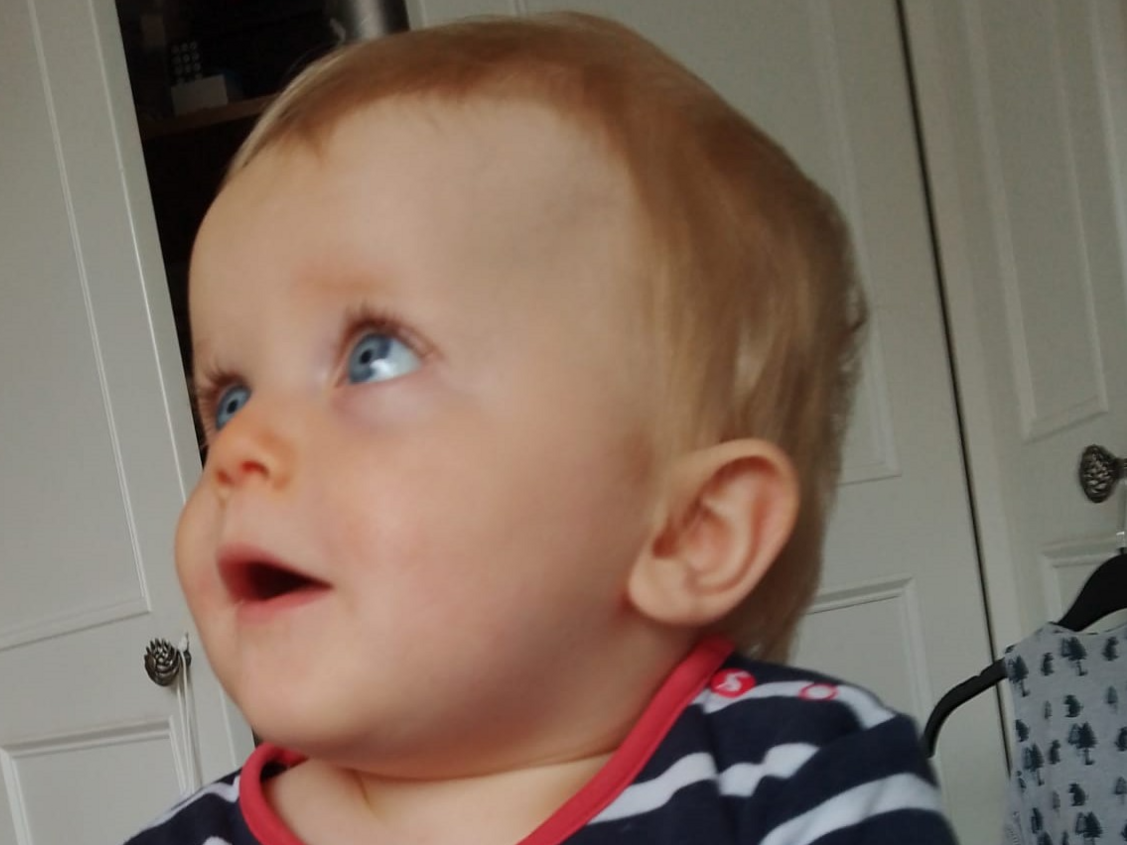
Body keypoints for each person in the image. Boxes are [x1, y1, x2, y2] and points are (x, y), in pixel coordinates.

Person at [130, 12, 956, 845]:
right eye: (230, 398)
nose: (238, 448)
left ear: (689, 531)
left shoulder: (794, 780)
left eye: (374, 357)